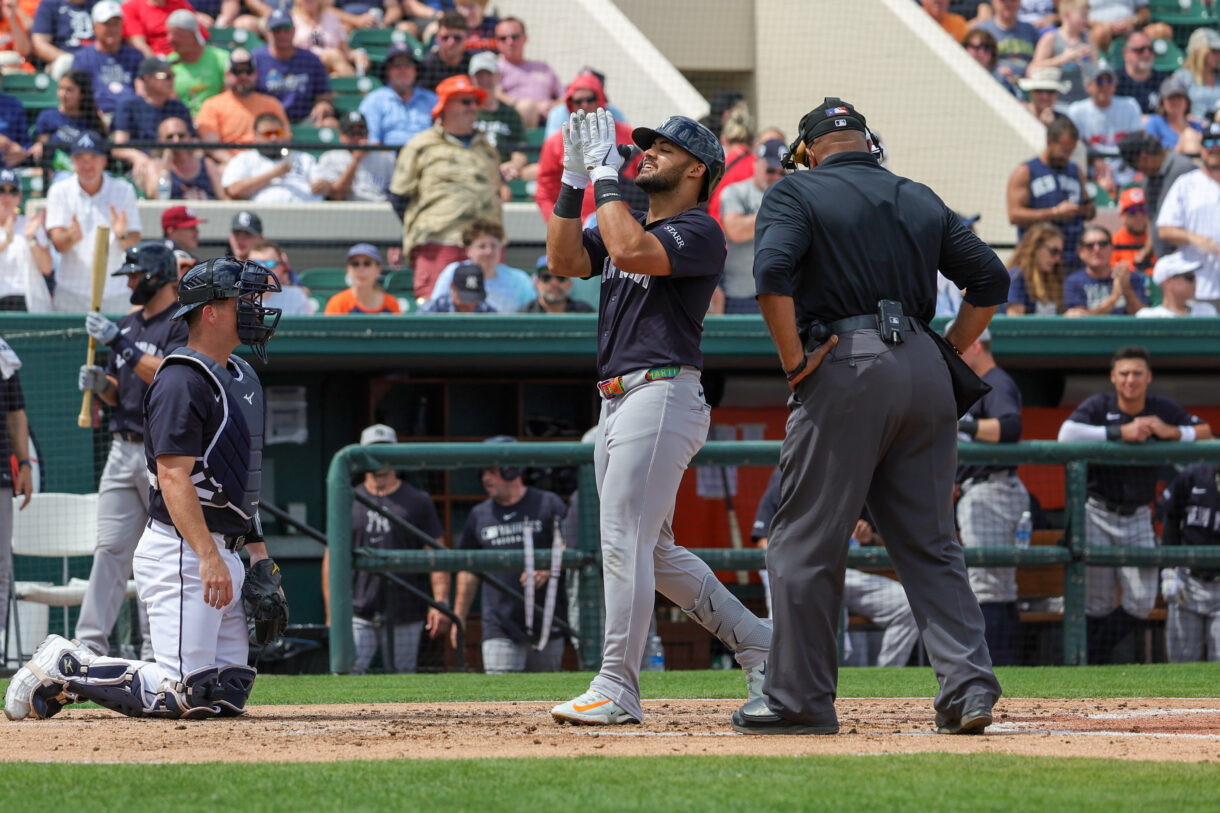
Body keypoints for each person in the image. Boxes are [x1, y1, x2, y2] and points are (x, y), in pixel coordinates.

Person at [744, 97, 1007, 735]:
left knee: (804, 541)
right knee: (931, 543)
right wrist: (942, 347)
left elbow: (772, 275)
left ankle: (800, 701)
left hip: (845, 362)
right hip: (924, 365)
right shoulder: (916, 194)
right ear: (869, 144)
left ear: (806, 152)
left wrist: (794, 363)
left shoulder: (794, 191)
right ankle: (968, 690)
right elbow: (991, 279)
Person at [546, 110, 770, 726]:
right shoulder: (631, 215)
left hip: (663, 389)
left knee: (623, 540)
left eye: (662, 149)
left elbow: (629, 251)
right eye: (644, 146)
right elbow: (565, 260)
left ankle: (618, 685)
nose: (645, 154)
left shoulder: (702, 228)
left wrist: (602, 175)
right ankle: (760, 643)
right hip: (619, 397)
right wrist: (571, 179)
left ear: (696, 169)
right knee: (654, 548)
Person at [3, 256, 283, 722]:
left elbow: (238, 481)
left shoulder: (243, 376)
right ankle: (69, 664)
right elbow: (174, 477)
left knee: (226, 693)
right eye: (244, 300)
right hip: (184, 550)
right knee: (183, 694)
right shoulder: (180, 378)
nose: (256, 309)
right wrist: (207, 555)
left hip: (225, 551)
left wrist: (258, 557)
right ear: (210, 311)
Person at [1057, 346, 1211, 664]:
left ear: (1148, 377)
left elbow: (1205, 431)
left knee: (1142, 600)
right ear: (1113, 377)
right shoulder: (1099, 405)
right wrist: (1119, 432)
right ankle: (1088, 668)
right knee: (1096, 602)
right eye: (1124, 373)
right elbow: (1066, 435)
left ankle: (1091, 658)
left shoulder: (1160, 407)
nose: (1131, 380)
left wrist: (1170, 431)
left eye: (1137, 373)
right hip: (1097, 511)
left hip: (1139, 514)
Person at [74, 240, 187, 660]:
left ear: (158, 274)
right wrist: (100, 385)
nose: (132, 282)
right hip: (122, 450)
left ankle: (157, 653)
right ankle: (88, 646)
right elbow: (119, 392)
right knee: (109, 549)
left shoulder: (180, 323)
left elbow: (170, 374)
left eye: (137, 275)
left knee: (157, 555)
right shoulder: (127, 324)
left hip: (163, 455)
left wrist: (118, 344)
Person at [752, 468, 919, 668]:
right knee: (784, 621)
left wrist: (869, 538)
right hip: (792, 571)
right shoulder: (787, 474)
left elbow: (883, 539)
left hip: (845, 573)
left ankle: (885, 677)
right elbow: (762, 539)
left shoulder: (856, 477)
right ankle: (779, 674)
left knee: (907, 605)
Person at [338, 423, 450, 673]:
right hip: (358, 610)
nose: (379, 459)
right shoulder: (347, 498)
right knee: (347, 676)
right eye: (373, 452)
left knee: (403, 679)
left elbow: (436, 554)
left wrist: (441, 601)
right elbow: (332, 559)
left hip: (406, 610)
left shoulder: (417, 500)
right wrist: (333, 610)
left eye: (385, 452)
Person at [451, 438, 570, 673]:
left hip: (547, 621)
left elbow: (569, 545)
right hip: (499, 626)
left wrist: (547, 566)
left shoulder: (548, 503)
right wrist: (459, 619)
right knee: (500, 698)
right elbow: (468, 571)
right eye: (484, 471)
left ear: (512, 469)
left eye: (492, 471)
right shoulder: (479, 514)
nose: (486, 478)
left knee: (547, 698)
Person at [953, 324, 1027, 667]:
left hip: (992, 491)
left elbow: (1010, 428)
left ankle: (999, 663)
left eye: (961, 349)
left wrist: (961, 426)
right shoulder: (981, 384)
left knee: (990, 585)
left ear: (978, 347)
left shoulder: (996, 381)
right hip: (983, 492)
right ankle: (1004, 662)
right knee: (994, 585)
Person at [388, 74, 500, 299]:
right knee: (436, 312)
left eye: (474, 101)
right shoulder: (420, 145)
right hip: (439, 244)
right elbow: (398, 197)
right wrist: (422, 226)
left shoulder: (487, 147)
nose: (472, 107)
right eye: (464, 101)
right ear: (444, 107)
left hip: (486, 248)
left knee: (488, 311)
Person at [44, 130, 143, 313]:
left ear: (104, 160)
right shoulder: (59, 191)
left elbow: (135, 246)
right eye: (80, 157)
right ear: (72, 161)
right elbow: (58, 244)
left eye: (93, 157)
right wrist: (71, 237)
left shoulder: (124, 190)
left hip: (116, 293)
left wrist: (122, 234)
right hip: (71, 294)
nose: (87, 163)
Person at [534, 73, 640, 226]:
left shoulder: (627, 134)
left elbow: (643, 179)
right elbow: (544, 191)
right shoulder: (556, 142)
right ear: (570, 104)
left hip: (624, 221)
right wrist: (559, 225)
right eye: (577, 101)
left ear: (601, 99)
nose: (584, 105)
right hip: (576, 227)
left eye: (590, 99)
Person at [1007, 116, 1093, 270]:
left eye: (1070, 152)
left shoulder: (1075, 170)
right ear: (1049, 142)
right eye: (1063, 151)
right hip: (1038, 260)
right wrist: (1054, 213)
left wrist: (1086, 209)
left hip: (1072, 258)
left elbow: (1089, 210)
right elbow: (1014, 215)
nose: (1066, 157)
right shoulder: (1026, 171)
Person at [717, 138, 787, 314]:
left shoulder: (790, 195)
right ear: (757, 163)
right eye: (771, 170)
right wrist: (780, 215)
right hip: (742, 295)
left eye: (782, 172)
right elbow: (735, 230)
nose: (776, 176)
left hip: (783, 294)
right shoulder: (736, 191)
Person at [1159, 462, 1220, 663]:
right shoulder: (1194, 475)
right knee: (1181, 663)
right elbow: (1170, 521)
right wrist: (1169, 572)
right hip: (1189, 581)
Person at [1156, 121, 1220, 304]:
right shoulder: (1186, 184)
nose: (1214, 148)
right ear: (1200, 147)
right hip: (1197, 289)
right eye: (1208, 143)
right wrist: (1194, 238)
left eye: (1219, 142)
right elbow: (1164, 229)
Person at [111, 57, 195, 183]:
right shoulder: (128, 105)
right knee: (153, 168)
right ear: (147, 79)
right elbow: (118, 147)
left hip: (179, 166)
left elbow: (194, 141)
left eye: (172, 75)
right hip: (142, 168)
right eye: (165, 76)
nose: (171, 80)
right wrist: (137, 157)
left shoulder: (178, 107)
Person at [1067, 59, 1142, 195]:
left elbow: (1138, 141)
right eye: (1100, 81)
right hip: (1091, 175)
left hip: (1126, 171)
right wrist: (1093, 159)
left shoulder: (1130, 105)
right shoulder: (1076, 111)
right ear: (1088, 85)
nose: (1105, 86)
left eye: (1110, 81)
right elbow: (1074, 145)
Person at [426, 218, 532, 313]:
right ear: (468, 250)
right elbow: (436, 307)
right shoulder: (453, 271)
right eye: (482, 246)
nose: (489, 251)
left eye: (494, 246)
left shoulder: (519, 279)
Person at [0, 337, 33, 648]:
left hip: (0, 476)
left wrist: (24, 462)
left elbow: (15, 413)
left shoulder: (2, 350)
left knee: (0, 566)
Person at [1118, 130, 1197, 258]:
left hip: (1187, 259)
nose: (1137, 171)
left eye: (1134, 166)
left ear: (1144, 157)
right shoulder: (1148, 179)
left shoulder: (1184, 169)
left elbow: (1197, 217)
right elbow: (1152, 217)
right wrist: (1148, 248)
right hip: (1165, 261)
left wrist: (1184, 252)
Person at [196, 49, 292, 151]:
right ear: (227, 75)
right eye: (237, 71)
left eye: (248, 71)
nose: (243, 76)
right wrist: (236, 165)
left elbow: (284, 139)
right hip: (227, 163)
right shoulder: (211, 105)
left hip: (265, 160)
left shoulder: (272, 104)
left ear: (256, 74)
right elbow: (212, 147)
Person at [252, 8, 332, 125]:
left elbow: (324, 94)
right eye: (276, 29)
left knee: (329, 124)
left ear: (294, 30)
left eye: (286, 29)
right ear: (268, 33)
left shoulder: (310, 59)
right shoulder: (256, 59)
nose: (282, 34)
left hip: (303, 119)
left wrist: (322, 104)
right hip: (267, 121)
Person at [221, 112, 322, 203]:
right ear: (256, 136)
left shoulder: (304, 158)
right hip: (262, 216)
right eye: (268, 134)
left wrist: (323, 186)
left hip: (304, 215)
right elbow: (233, 190)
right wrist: (273, 174)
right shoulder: (244, 159)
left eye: (278, 133)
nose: (274, 138)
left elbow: (322, 184)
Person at [357, 42, 436, 148]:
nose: (403, 69)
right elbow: (372, 142)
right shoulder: (373, 101)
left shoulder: (432, 100)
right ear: (387, 71)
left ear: (416, 70)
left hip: (427, 158)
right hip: (388, 160)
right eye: (396, 64)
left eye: (408, 64)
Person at [70, 1, 141, 116]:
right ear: (94, 27)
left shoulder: (135, 56)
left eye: (116, 23)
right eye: (106, 24)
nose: (112, 29)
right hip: (96, 117)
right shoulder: (82, 58)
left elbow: (143, 92)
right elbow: (78, 95)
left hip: (131, 117)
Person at [469, 50, 530, 185]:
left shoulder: (510, 114)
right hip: (472, 171)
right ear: (472, 79)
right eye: (479, 75)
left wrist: (513, 165)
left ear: (497, 76)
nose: (484, 80)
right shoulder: (466, 111)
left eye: (488, 74)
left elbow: (519, 151)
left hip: (504, 174)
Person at [311, 111, 396, 203]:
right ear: (341, 135)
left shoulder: (386, 159)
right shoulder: (330, 158)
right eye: (351, 133)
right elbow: (337, 195)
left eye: (361, 131)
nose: (357, 137)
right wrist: (356, 161)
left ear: (368, 133)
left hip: (381, 210)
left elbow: (397, 195)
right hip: (347, 211)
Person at [493, 16, 562, 128]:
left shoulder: (543, 67)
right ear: (496, 42)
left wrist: (552, 106)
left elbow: (564, 96)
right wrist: (532, 107)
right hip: (514, 123)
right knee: (527, 107)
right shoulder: (495, 67)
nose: (509, 42)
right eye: (503, 38)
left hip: (550, 119)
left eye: (515, 37)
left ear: (525, 38)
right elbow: (495, 94)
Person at [0, 169, 54, 310]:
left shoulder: (30, 225)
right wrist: (6, 240)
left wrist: (31, 239)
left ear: (19, 198)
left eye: (13, 192)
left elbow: (47, 268)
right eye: (1, 190)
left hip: (28, 302)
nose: (6, 197)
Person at [1063, 224, 1146, 315]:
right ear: (1081, 252)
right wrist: (1114, 298)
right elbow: (1080, 321)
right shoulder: (1074, 281)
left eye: (1103, 244)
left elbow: (1143, 316)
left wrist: (1126, 288)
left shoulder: (1130, 276)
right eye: (1090, 246)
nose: (1097, 249)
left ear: (1111, 248)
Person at [30, 70, 106, 165]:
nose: (63, 94)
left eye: (69, 90)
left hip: (86, 171)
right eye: (61, 88)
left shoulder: (92, 120)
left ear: (82, 94)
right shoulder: (47, 116)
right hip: (55, 172)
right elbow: (43, 151)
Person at [1029, 0, 1098, 104]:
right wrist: (1063, 59)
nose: (1086, 20)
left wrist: (1091, 60)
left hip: (1084, 102)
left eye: (1087, 15)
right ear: (1067, 15)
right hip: (1058, 103)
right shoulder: (1051, 38)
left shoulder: (1088, 40)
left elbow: (1097, 68)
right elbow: (1033, 68)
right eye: (1083, 15)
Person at [138, 116, 219, 201]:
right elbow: (157, 197)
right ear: (160, 141)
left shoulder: (206, 164)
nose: (176, 140)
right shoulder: (155, 166)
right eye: (170, 137)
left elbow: (223, 199)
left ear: (189, 137)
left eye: (181, 136)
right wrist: (166, 165)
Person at [165, 9, 228, 118]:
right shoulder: (168, 64)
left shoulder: (220, 58)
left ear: (192, 35)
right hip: (184, 123)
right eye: (168, 33)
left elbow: (229, 98)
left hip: (218, 119)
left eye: (176, 33)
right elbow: (170, 101)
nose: (170, 39)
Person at [707, 106, 755, 225]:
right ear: (752, 140)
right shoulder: (758, 166)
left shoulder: (714, 166)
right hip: (745, 235)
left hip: (714, 234)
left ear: (723, 140)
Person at [291, 0, 365, 78]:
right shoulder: (291, 20)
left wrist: (358, 54)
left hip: (332, 69)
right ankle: (356, 86)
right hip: (303, 66)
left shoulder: (331, 17)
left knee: (336, 76)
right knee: (334, 55)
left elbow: (346, 51)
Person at [1006, 221, 1066, 315]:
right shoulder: (1017, 276)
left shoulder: (1053, 277)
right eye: (1054, 251)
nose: (1058, 259)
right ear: (1035, 247)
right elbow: (1014, 322)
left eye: (1060, 253)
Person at [324, 242, 400, 315]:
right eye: (355, 264)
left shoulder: (392, 304)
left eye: (367, 263)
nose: (361, 269)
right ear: (348, 270)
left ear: (378, 269)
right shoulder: (337, 304)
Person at [31, 0, 98, 80]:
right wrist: (74, 60)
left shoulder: (99, 3)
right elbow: (39, 44)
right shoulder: (50, 4)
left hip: (96, 59)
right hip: (66, 60)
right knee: (63, 64)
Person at [1136, 253, 1218, 317]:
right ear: (1168, 282)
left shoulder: (1206, 310)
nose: (1195, 280)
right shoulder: (1148, 316)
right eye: (1189, 277)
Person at [976, 0, 1041, 79]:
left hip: (1028, 83)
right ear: (994, 2)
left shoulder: (1030, 30)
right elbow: (974, 63)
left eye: (1013, 1)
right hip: (994, 82)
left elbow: (1041, 59)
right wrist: (995, 71)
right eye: (1004, 1)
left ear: (1019, 3)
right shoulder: (982, 31)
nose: (1008, 4)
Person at [247, 241, 312, 316]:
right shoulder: (236, 298)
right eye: (256, 263)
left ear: (281, 267)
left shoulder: (296, 296)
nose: (263, 269)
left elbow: (307, 326)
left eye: (270, 263)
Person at [1145, 76, 1205, 154]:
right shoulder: (1155, 122)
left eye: (1179, 97)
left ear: (1187, 101)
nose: (1176, 101)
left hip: (1196, 163)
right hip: (1167, 164)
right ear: (1163, 101)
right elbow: (1151, 152)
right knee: (1188, 134)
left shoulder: (1197, 126)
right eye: (1171, 98)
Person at [1114, 29, 1167, 116]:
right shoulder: (1114, 82)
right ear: (1125, 53)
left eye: (1150, 49)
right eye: (1140, 50)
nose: (1147, 54)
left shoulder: (1163, 81)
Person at [518, 254, 594, 313]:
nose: (554, 283)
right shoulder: (524, 315)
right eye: (546, 277)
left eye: (561, 277)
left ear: (570, 283)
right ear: (536, 283)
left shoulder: (585, 312)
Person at [1171, 27, 1220, 118]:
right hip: (1193, 129)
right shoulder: (1181, 77)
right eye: (1214, 50)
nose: (1218, 55)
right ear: (1198, 52)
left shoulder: (1218, 77)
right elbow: (1172, 111)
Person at [120, 0, 196, 57]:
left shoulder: (180, 3)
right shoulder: (131, 7)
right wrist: (156, 64)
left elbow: (195, 36)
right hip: (153, 61)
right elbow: (138, 43)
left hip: (182, 58)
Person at [418, 10, 470, 92]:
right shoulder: (426, 66)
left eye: (457, 38)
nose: (451, 43)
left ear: (466, 38)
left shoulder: (472, 64)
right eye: (445, 38)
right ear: (437, 38)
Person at [963, 28, 1022, 98]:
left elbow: (1020, 101)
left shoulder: (1000, 77)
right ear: (965, 47)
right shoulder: (955, 72)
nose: (981, 53)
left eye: (986, 48)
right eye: (976, 48)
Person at [419, 261, 496, 313]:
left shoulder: (486, 310)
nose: (469, 304)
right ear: (452, 287)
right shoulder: (434, 309)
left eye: (474, 299)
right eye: (465, 297)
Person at [1111, 186, 1154, 272]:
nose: (1139, 216)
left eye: (1143, 209)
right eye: (1132, 210)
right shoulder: (1112, 243)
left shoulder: (1157, 240)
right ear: (1121, 215)